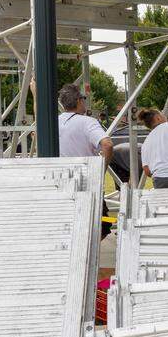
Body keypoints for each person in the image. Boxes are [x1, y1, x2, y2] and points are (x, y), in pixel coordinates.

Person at [58, 83, 113, 237]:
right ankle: (86, 254)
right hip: (86, 181)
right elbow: (107, 145)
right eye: (84, 98)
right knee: (102, 225)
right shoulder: (87, 122)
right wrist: (101, 171)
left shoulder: (53, 122)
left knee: (71, 223)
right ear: (78, 101)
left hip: (61, 181)